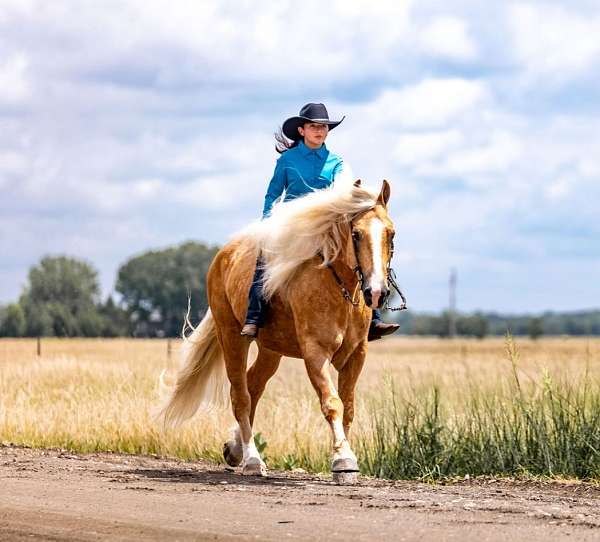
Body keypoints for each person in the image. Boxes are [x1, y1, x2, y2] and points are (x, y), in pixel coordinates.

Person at [240, 103, 399, 341]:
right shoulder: (287, 160)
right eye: (314, 127)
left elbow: (342, 193)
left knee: (360, 253)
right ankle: (254, 316)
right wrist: (267, 223)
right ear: (302, 130)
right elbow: (273, 194)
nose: (320, 131)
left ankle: (373, 318)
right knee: (263, 260)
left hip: (324, 227)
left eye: (323, 127)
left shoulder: (337, 162)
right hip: (290, 227)